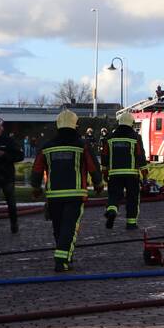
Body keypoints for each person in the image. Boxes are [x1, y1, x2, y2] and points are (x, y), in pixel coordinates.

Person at [31, 110, 103, 272]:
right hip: (75, 194)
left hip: (54, 195)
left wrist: (36, 187)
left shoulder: (47, 147)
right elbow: (93, 166)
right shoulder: (81, 146)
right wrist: (98, 183)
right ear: (75, 125)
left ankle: (64, 255)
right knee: (70, 227)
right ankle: (62, 259)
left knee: (58, 227)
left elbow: (36, 169)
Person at [101, 112, 149, 230]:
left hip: (114, 174)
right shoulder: (135, 137)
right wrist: (145, 175)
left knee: (114, 195)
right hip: (131, 175)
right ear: (131, 124)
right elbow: (140, 156)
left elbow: (104, 157)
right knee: (132, 198)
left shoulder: (110, 138)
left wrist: (105, 172)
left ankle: (112, 210)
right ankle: (131, 223)